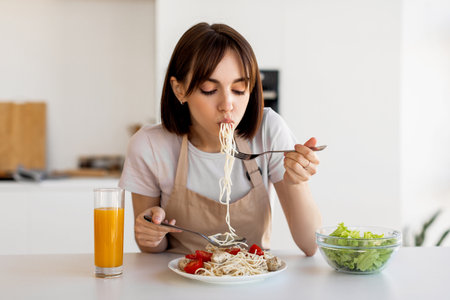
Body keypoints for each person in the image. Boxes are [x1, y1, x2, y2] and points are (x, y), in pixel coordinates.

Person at [119, 22, 322, 256]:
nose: (227, 105)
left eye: (239, 89)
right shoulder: (149, 146)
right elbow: (149, 247)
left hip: (252, 280)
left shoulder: (268, 131)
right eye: (208, 89)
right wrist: (151, 232)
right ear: (179, 90)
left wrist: (297, 182)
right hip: (178, 282)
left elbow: (310, 244)